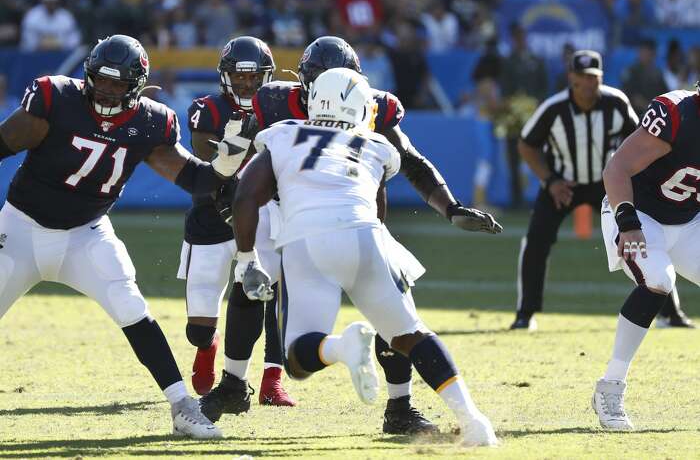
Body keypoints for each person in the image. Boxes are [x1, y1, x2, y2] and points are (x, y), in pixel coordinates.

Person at [200, 35, 502, 434]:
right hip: (288, 209)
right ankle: (234, 384)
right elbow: (240, 162)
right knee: (397, 319)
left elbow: (411, 162)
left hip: (320, 221)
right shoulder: (280, 104)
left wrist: (450, 206)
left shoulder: (299, 123)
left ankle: (399, 406)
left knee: (286, 310)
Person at [0, 35, 248, 439]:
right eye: (102, 80)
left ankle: (183, 407)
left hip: (87, 235)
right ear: (88, 75)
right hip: (21, 228)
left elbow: (193, 178)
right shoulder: (55, 97)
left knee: (131, 306)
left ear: (136, 84)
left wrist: (223, 164)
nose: (108, 90)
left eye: (118, 84)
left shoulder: (151, 121)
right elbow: (3, 142)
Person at [510, 50, 693, 331]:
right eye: (582, 77)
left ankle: (671, 313)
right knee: (536, 241)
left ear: (601, 78)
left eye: (593, 77)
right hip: (563, 184)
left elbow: (640, 139)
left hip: (605, 181)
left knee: (648, 237)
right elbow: (526, 144)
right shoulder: (554, 107)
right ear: (571, 77)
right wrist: (549, 181)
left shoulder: (616, 102)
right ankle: (525, 313)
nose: (588, 83)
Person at [178, 35, 295, 406]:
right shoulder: (208, 108)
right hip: (212, 216)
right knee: (198, 326)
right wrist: (238, 145)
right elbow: (205, 160)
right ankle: (207, 345)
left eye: (253, 76)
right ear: (225, 76)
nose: (246, 83)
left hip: (263, 214)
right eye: (238, 76)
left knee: (269, 292)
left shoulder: (281, 108)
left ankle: (271, 380)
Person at [593, 84, 700, 430]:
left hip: (689, 220)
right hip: (638, 214)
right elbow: (616, 169)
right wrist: (627, 223)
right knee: (657, 279)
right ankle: (610, 386)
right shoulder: (676, 113)